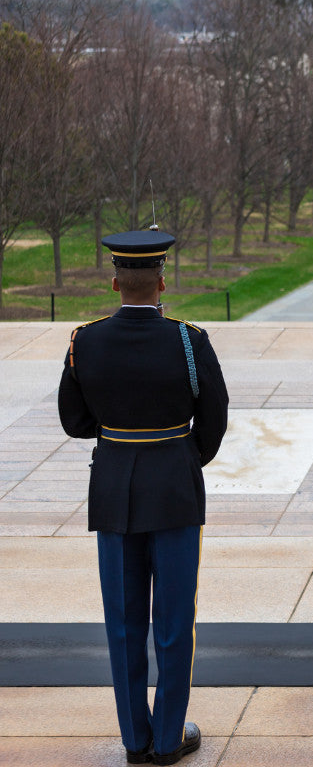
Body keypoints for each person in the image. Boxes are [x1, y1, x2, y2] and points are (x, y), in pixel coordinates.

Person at [58, 229, 228, 766]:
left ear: (114, 282)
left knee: (125, 621)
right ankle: (169, 735)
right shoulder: (188, 339)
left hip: (113, 490)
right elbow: (215, 419)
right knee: (174, 622)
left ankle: (136, 738)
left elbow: (75, 421)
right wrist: (181, 458)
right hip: (174, 490)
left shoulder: (85, 340)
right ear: (161, 282)